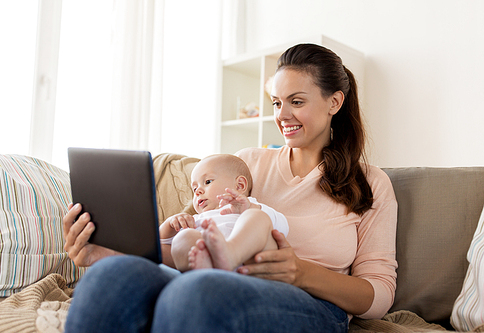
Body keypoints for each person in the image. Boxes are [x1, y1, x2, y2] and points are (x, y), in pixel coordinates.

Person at [63, 43, 397, 333]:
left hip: (313, 304)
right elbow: (192, 248)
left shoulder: (369, 183)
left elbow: (378, 294)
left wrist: (301, 272)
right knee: (113, 277)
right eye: (276, 103)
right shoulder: (244, 164)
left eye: (296, 101)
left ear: (334, 102)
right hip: (216, 278)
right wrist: (103, 252)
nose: (282, 115)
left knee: (196, 292)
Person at [159, 153, 289, 272]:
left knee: (258, 217)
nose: (198, 191)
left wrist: (250, 208)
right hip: (207, 265)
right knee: (183, 237)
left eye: (207, 182)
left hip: (251, 264)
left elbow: (283, 228)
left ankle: (231, 254)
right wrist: (170, 224)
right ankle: (206, 267)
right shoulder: (195, 219)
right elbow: (161, 244)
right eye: (194, 188)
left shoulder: (249, 206)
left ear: (239, 186)